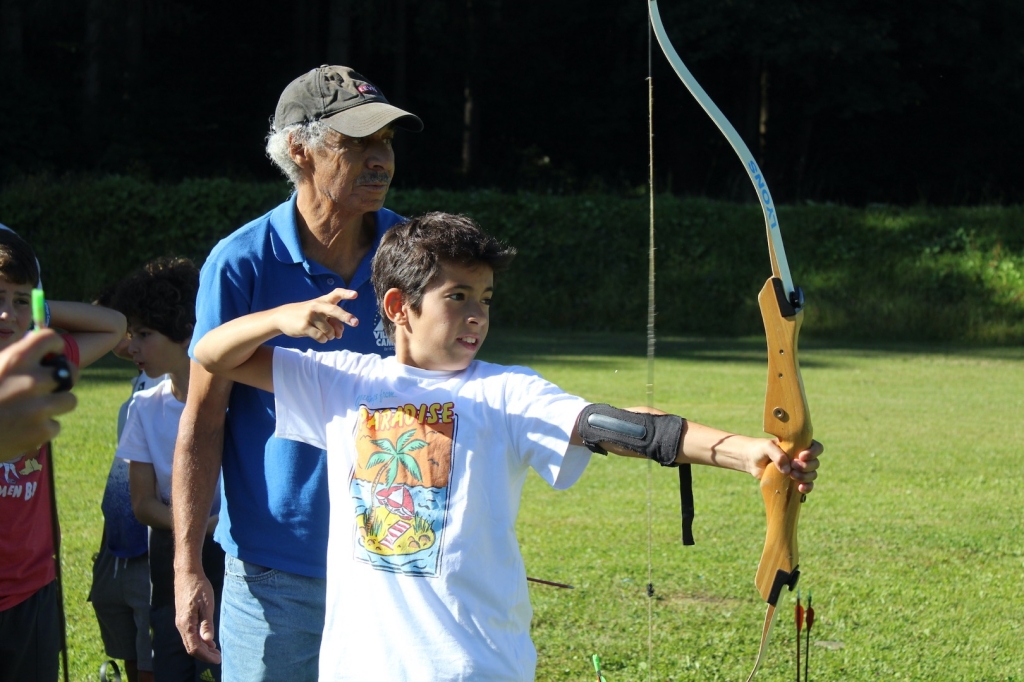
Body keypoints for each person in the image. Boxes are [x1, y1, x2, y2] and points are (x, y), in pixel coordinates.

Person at [192, 212, 823, 682]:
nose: (476, 315)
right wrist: (282, 318)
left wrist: (745, 452)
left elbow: (613, 425)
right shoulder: (341, 383)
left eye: (485, 299)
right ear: (398, 306)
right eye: (457, 297)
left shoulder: (507, 393)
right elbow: (211, 354)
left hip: (473, 666)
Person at [171, 65, 423, 681]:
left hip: (396, 562)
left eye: (386, 142)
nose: (380, 160)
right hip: (276, 572)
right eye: (357, 143)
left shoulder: (417, 255)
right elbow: (203, 417)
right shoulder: (240, 263)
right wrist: (186, 566)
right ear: (299, 148)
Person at [0, 228, 127, 682]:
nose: (6, 313)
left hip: (33, 585)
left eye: (20, 300)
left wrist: (41, 313)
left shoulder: (42, 368)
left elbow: (113, 327)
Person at [113, 258, 224, 682]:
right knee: (175, 660)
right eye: (130, 335)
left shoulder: (234, 403)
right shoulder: (144, 407)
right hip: (172, 553)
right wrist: (198, 524)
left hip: (231, 553)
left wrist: (219, 526)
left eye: (144, 334)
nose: (131, 347)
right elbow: (142, 503)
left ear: (184, 334)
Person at [87, 284, 163, 682]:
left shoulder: (164, 383)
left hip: (150, 544)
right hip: (118, 541)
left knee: (151, 654)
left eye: (140, 333)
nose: (129, 342)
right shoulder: (140, 380)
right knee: (127, 647)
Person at [0, 331, 78, 462]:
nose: (6, 313)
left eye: (19, 308)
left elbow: (114, 327)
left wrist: (46, 311)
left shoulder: (41, 361)